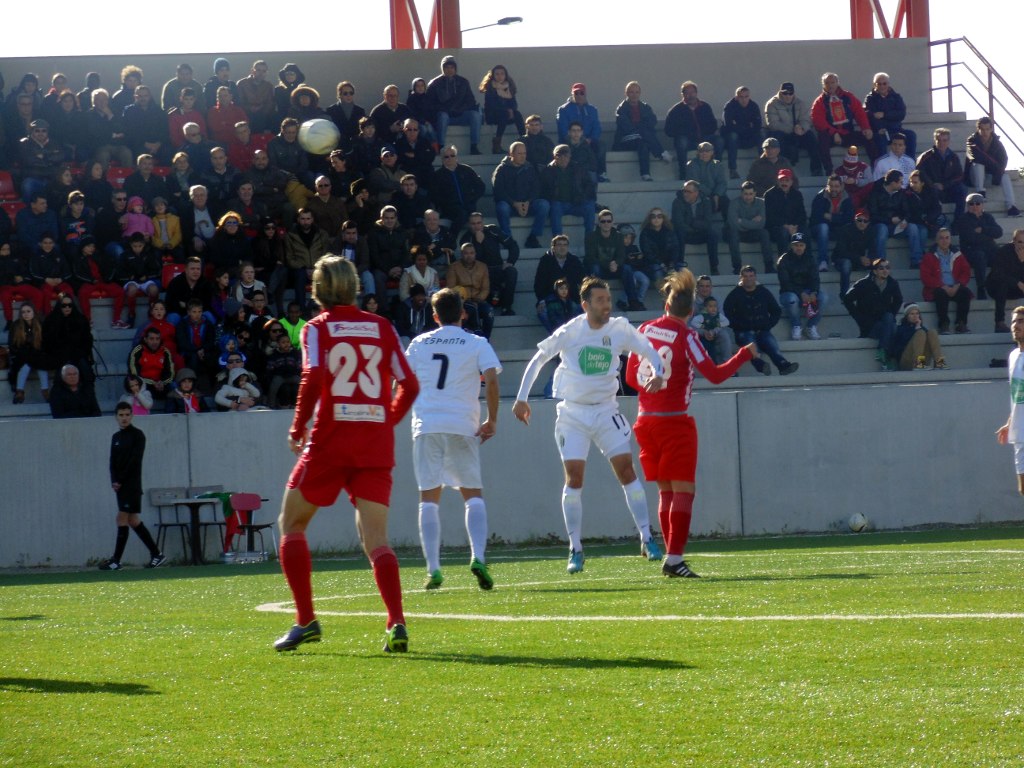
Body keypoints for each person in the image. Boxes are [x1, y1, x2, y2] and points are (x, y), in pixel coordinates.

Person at [274, 255, 419, 653]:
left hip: (330, 442)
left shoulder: (317, 328)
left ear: (318, 289)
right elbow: (409, 385)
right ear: (355, 286)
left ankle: (306, 620)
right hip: (374, 445)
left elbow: (314, 375)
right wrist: (385, 421)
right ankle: (396, 622)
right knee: (377, 540)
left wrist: (298, 425)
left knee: (291, 525)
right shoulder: (382, 327)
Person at [512, 277, 666, 574]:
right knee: (574, 479)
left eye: (608, 299)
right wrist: (521, 398)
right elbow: (539, 358)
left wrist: (658, 372)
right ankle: (575, 548)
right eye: (600, 300)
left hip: (606, 411)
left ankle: (647, 537)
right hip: (573, 414)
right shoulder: (571, 331)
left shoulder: (619, 329)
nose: (606, 305)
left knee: (627, 470)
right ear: (585, 305)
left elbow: (648, 349)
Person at [626, 270, 756, 577]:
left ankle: (671, 556)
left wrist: (652, 387)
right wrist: (743, 355)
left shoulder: (644, 329)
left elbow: (630, 377)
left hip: (645, 422)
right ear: (691, 312)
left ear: (666, 305)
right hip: (674, 422)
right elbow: (715, 374)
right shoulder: (687, 337)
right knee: (683, 491)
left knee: (666, 492)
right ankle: (674, 559)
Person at [405, 288, 501, 590]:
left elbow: (402, 383)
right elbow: (492, 379)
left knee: (428, 498)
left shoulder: (419, 343)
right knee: (472, 495)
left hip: (427, 425)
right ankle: (478, 557)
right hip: (463, 424)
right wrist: (492, 420)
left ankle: (433, 569)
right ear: (463, 313)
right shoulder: (476, 342)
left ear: (434, 316)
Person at [98, 404, 166, 570]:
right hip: (120, 486)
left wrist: (120, 480)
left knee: (121, 518)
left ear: (132, 416)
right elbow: (112, 461)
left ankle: (116, 560)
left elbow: (135, 461)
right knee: (133, 520)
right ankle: (157, 554)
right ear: (116, 416)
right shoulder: (116, 437)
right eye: (121, 415)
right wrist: (114, 480)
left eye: (127, 414)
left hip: (131, 485)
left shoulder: (138, 435)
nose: (124, 418)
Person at [723, 266, 799, 375]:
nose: (749, 279)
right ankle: (761, 365)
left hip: (763, 330)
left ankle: (783, 365)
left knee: (772, 346)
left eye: (751, 276)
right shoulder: (734, 294)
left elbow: (776, 310)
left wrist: (768, 324)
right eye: (745, 276)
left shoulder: (764, 292)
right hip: (743, 332)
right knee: (752, 347)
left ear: (755, 277)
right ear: (741, 278)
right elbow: (727, 313)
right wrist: (739, 325)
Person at [842, 258, 904, 370]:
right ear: (875, 271)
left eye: (887, 268)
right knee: (892, 328)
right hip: (869, 326)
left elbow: (898, 300)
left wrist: (891, 313)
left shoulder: (893, 283)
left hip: (885, 322)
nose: (885, 270)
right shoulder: (863, 284)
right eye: (881, 268)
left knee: (891, 323)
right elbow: (847, 299)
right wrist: (858, 317)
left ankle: (883, 353)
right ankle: (889, 361)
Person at [810, 72, 877, 173]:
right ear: (823, 85)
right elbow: (818, 121)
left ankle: (876, 167)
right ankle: (829, 171)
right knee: (822, 139)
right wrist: (834, 133)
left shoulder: (848, 97)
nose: (830, 85)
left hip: (847, 134)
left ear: (837, 83)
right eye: (827, 83)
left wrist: (866, 128)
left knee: (869, 138)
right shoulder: (819, 101)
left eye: (832, 82)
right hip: (830, 136)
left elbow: (859, 112)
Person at [458, 212, 520, 316]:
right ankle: (481, 308)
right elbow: (470, 261)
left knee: (511, 271)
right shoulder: (466, 239)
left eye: (479, 223)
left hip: (497, 268)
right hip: (478, 272)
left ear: (483, 223)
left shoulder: (492, 230)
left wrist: (510, 262)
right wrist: (479, 243)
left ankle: (507, 307)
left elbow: (513, 245)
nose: (476, 226)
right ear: (469, 225)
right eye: (473, 224)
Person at [492, 141, 549, 249]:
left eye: (524, 153)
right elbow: (498, 192)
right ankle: (507, 240)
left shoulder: (530, 168)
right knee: (502, 207)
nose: (523, 156)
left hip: (528, 205)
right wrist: (514, 203)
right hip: (510, 206)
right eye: (519, 153)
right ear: (511, 154)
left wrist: (528, 202)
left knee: (544, 205)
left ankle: (533, 237)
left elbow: (536, 189)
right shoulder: (501, 169)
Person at [612, 81, 671, 181]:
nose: (634, 95)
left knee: (643, 144)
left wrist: (640, 128)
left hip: (642, 138)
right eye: (631, 92)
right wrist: (641, 127)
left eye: (637, 92)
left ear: (640, 93)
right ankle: (661, 152)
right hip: (626, 140)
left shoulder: (645, 107)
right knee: (643, 133)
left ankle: (645, 174)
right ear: (626, 93)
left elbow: (653, 121)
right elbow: (627, 127)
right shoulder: (621, 109)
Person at [584, 208, 642, 311]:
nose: (606, 224)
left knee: (627, 269)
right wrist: (608, 265)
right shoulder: (591, 237)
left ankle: (633, 302)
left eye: (608, 221)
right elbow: (590, 257)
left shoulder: (618, 236)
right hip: (600, 268)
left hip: (614, 268)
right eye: (603, 221)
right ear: (599, 223)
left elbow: (621, 255)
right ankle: (598, 301)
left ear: (612, 222)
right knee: (595, 268)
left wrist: (616, 263)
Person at [664, 81, 723, 178]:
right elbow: (668, 130)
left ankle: (716, 170)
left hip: (704, 139)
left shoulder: (705, 107)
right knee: (681, 141)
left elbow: (713, 125)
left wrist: (705, 131)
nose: (690, 95)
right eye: (687, 93)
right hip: (688, 141)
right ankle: (683, 173)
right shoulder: (676, 110)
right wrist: (684, 132)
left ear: (696, 93)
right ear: (682, 94)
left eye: (692, 92)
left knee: (719, 140)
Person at [920, 227, 973, 334]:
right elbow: (925, 276)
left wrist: (958, 284)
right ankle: (944, 324)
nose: (944, 241)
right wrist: (942, 286)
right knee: (940, 294)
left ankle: (961, 323)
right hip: (938, 288)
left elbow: (966, 271)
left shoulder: (958, 254)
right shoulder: (929, 256)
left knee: (965, 293)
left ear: (950, 239)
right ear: (936, 240)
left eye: (947, 238)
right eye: (941, 238)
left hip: (955, 286)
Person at [965, 117, 1020, 218]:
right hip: (974, 177)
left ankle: (1011, 207)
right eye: (982, 129)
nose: (985, 132)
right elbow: (977, 157)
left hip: (990, 176)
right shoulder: (972, 141)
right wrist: (995, 165)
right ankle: (980, 192)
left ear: (991, 129)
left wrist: (997, 172)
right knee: (978, 164)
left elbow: (1004, 159)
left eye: (987, 129)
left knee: (1005, 176)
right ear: (978, 129)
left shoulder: (997, 142)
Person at [777, 233, 828, 340]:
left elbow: (815, 278)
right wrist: (801, 293)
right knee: (792, 299)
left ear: (805, 246)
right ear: (791, 246)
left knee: (823, 298)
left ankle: (811, 326)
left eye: (801, 245)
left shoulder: (810, 259)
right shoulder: (783, 260)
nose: (799, 248)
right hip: (788, 293)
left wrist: (814, 292)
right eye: (796, 245)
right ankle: (796, 325)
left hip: (808, 291)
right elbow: (785, 282)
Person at [764, 81, 822, 175]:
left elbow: (806, 120)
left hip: (798, 133)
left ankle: (817, 169)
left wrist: (802, 128)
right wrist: (793, 129)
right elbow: (773, 124)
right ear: (780, 92)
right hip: (782, 133)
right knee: (777, 138)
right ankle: (782, 171)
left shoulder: (800, 103)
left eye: (790, 93)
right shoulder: (771, 104)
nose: (788, 96)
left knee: (811, 137)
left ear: (793, 93)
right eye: (785, 93)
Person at [426, 56, 481, 154]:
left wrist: (460, 109)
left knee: (475, 115)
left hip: (461, 115)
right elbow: (430, 105)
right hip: (443, 117)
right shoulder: (434, 83)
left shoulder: (463, 82)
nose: (449, 70)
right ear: (443, 68)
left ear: (455, 68)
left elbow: (471, 101)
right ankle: (441, 147)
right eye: (447, 67)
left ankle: (474, 146)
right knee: (443, 116)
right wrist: (445, 109)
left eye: (452, 67)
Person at [868, 169, 923, 268]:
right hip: (881, 225)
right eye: (900, 182)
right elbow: (873, 216)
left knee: (913, 228)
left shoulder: (901, 193)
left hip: (897, 226)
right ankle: (880, 263)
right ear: (893, 183)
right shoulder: (875, 193)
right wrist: (890, 220)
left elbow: (907, 211)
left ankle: (916, 260)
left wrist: (905, 220)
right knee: (882, 229)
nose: (902, 185)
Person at [996, 307, 1024, 495]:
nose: (1015, 325)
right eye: (1013, 321)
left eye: (1021, 321)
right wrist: (1010, 422)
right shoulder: (1013, 356)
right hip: (1019, 432)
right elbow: (1017, 395)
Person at [955, 192, 1003, 299]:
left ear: (982, 205)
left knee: (1001, 255)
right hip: (971, 251)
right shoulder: (963, 219)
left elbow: (999, 232)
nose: (974, 206)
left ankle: (997, 286)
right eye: (971, 204)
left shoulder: (988, 217)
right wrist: (988, 235)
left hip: (988, 250)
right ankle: (981, 288)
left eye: (977, 203)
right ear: (967, 206)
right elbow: (971, 238)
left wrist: (983, 230)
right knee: (980, 256)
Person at [555, 83, 607, 181]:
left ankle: (601, 173)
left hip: (588, 141)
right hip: (570, 141)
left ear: (585, 94)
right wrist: (577, 139)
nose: (579, 95)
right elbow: (563, 129)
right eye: (576, 93)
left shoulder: (592, 110)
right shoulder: (563, 110)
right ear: (572, 94)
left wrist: (591, 139)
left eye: (581, 93)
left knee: (601, 146)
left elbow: (597, 127)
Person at [672, 180, 724, 275]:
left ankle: (714, 267)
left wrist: (692, 223)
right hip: (685, 234)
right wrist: (693, 228)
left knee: (712, 235)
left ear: (696, 193)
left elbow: (707, 223)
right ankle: (679, 266)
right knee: (678, 233)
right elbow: (678, 223)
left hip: (700, 233)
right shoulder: (677, 202)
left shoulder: (706, 202)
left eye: (689, 192)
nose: (685, 194)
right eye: (684, 191)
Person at [915, 128, 969, 219]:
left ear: (949, 141)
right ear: (934, 140)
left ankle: (958, 220)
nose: (941, 143)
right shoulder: (926, 156)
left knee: (962, 189)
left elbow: (959, 176)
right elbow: (919, 172)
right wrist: (932, 184)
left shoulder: (953, 157)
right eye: (939, 140)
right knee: (932, 191)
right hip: (932, 189)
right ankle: (934, 220)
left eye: (944, 140)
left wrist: (944, 185)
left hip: (948, 188)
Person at [431, 146, 485, 236]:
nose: (450, 158)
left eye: (452, 155)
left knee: (475, 218)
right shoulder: (438, 175)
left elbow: (481, 187)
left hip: (469, 206)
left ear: (456, 157)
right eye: (446, 156)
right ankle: (451, 238)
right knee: (462, 215)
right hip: (450, 209)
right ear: (442, 159)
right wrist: (446, 203)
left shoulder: (466, 170)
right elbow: (434, 195)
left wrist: (472, 199)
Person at [7, 302, 53, 404]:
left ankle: (45, 391)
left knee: (41, 365)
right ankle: (19, 392)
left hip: (38, 354)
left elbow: (45, 343)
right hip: (21, 355)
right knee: (26, 365)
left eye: (28, 311)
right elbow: (12, 345)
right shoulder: (16, 325)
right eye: (23, 312)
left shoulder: (40, 325)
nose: (26, 314)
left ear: (33, 312)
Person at [863, 73, 917, 159]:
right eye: (879, 84)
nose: (882, 86)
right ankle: (882, 165)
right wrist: (878, 128)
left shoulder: (896, 97)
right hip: (880, 131)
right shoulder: (870, 98)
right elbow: (868, 114)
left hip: (896, 130)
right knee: (879, 141)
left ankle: (910, 163)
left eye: (884, 83)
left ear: (888, 84)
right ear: (875, 85)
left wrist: (884, 114)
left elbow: (901, 114)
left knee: (911, 135)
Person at [446, 241, 493, 338]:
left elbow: (485, 288)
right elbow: (451, 288)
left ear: (475, 254)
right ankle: (475, 334)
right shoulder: (454, 267)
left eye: (471, 253)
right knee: (470, 310)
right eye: (466, 253)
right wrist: (462, 301)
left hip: (478, 300)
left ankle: (485, 340)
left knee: (489, 312)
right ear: (461, 254)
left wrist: (478, 299)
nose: (469, 256)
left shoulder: (483, 267)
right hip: (462, 302)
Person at [727, 181, 774, 275]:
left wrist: (741, 221)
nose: (748, 197)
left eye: (750, 194)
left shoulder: (761, 203)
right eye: (745, 194)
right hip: (738, 232)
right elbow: (734, 224)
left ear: (755, 193)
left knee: (764, 233)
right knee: (732, 233)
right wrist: (752, 222)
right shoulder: (734, 203)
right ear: (741, 193)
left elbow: (761, 224)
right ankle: (737, 268)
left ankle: (769, 267)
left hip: (752, 233)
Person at [809, 175, 853, 272]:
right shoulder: (820, 197)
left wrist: (831, 217)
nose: (833, 189)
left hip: (838, 229)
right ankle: (823, 261)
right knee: (824, 227)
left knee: (849, 228)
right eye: (831, 186)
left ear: (841, 186)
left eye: (836, 186)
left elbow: (849, 218)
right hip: (819, 230)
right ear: (827, 186)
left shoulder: (847, 198)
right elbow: (816, 218)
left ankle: (844, 260)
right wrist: (839, 218)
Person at [763, 169, 807, 264]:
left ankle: (806, 263)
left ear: (791, 182)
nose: (784, 183)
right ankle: (783, 263)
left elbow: (802, 215)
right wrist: (786, 226)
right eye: (781, 180)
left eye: (787, 180)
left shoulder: (797, 194)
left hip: (794, 226)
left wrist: (795, 226)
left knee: (804, 233)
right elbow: (770, 217)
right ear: (777, 181)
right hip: (776, 228)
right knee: (783, 233)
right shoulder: (769, 195)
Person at [479, 64, 524, 155]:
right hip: (493, 116)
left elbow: (514, 104)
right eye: (497, 74)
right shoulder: (490, 88)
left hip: (507, 115)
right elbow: (492, 105)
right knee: (503, 114)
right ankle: (497, 145)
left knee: (517, 114)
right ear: (493, 75)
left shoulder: (509, 87)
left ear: (505, 75)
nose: (500, 76)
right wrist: (507, 110)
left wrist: (511, 110)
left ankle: (525, 139)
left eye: (502, 74)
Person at [985, 230, 1024, 333]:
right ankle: (999, 322)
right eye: (1020, 242)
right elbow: (999, 274)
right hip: (996, 287)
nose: (1022, 245)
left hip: (1017, 289)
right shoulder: (1004, 252)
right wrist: (1017, 283)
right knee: (1002, 285)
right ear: (1014, 241)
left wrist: (1022, 261)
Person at [721, 85, 763, 179]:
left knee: (761, 135)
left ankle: (763, 167)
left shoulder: (753, 106)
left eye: (746, 97)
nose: (744, 100)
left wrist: (739, 127)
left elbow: (758, 125)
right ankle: (733, 170)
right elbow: (728, 126)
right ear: (736, 97)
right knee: (733, 136)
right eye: (741, 97)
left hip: (748, 137)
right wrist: (747, 128)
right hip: (733, 140)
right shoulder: (730, 106)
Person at [891, 303, 947, 371]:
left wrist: (919, 327)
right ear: (907, 316)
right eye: (912, 314)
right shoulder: (901, 328)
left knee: (932, 332)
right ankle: (918, 364)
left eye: (917, 313)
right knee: (920, 333)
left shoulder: (920, 328)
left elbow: (928, 339)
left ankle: (939, 362)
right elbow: (898, 348)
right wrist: (916, 329)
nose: (915, 316)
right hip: (906, 361)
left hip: (923, 361)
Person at [832, 209, 876, 295]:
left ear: (868, 223)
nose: (862, 223)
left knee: (878, 266)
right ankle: (845, 294)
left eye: (865, 221)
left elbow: (873, 250)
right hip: (841, 259)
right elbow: (841, 252)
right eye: (859, 220)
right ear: (855, 220)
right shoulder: (845, 230)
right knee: (846, 264)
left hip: (858, 261)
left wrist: (869, 260)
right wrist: (859, 258)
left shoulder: (870, 232)